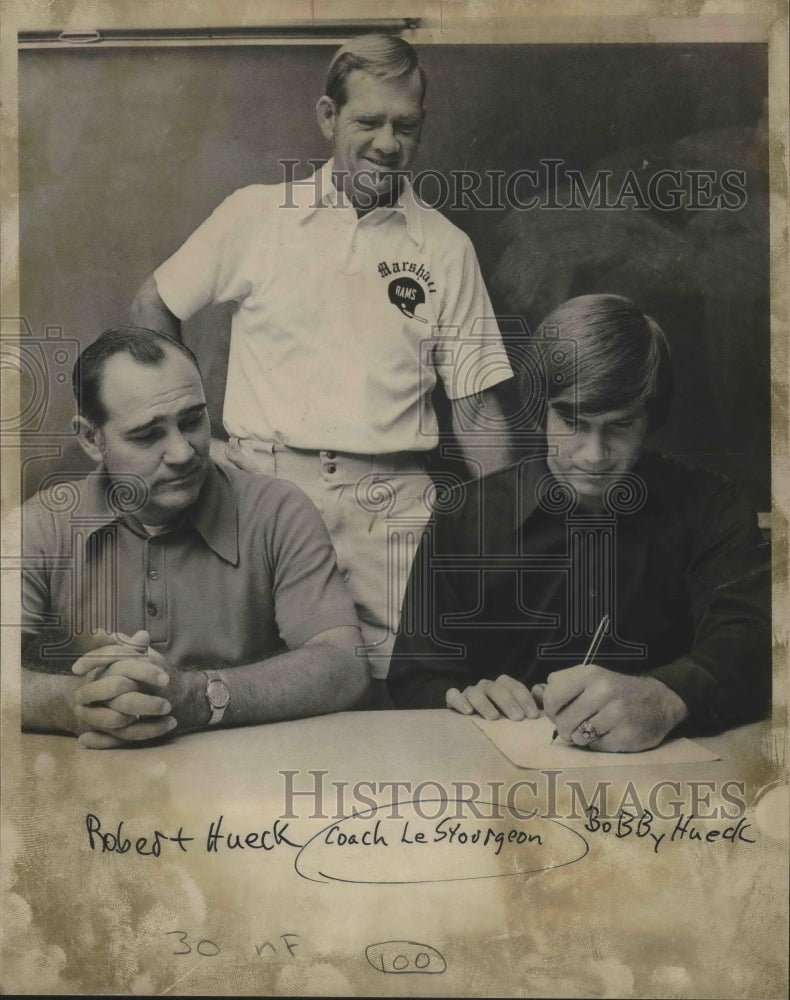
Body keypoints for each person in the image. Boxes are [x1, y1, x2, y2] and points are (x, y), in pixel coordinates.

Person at [129, 33, 514, 675]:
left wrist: (516, 536)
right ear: (327, 117)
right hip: (263, 494)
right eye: (368, 121)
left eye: (406, 125)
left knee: (414, 691)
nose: (388, 144)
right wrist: (195, 439)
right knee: (252, 684)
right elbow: (154, 305)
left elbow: (477, 416)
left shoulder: (447, 248)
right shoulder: (257, 215)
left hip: (396, 510)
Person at [387, 294, 770, 752]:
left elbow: (751, 644)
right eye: (572, 421)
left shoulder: (715, 508)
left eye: (621, 425)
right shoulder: (463, 515)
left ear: (652, 417)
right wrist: (461, 698)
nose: (594, 455)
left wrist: (668, 697)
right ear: (539, 409)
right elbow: (417, 677)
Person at [21, 327, 369, 748]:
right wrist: (76, 704)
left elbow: (343, 665)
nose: (183, 452)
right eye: (148, 434)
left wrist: (197, 695)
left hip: (253, 780)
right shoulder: (39, 526)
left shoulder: (278, 510)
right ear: (92, 439)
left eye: (192, 420)